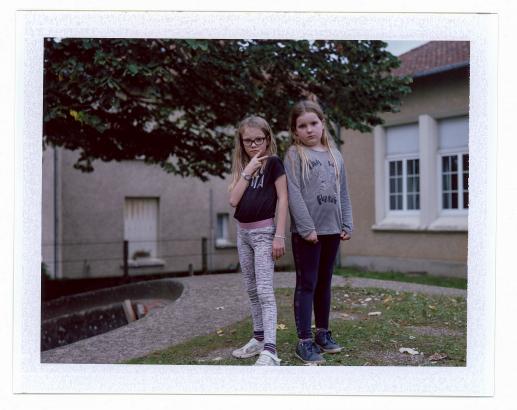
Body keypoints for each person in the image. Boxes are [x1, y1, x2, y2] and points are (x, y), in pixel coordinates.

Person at [284, 98, 353, 365]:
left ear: (323, 124)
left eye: (314, 123)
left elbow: (343, 192)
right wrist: (306, 228)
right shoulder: (294, 155)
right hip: (307, 233)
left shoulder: (336, 157)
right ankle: (304, 342)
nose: (309, 129)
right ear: (295, 131)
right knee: (307, 284)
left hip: (332, 230)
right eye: (302, 126)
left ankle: (322, 333)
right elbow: (294, 194)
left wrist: (347, 223)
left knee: (325, 283)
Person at [228, 115, 288, 366]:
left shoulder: (274, 163)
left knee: (264, 290)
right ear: (241, 143)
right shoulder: (243, 167)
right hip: (243, 233)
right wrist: (248, 171)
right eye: (248, 141)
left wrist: (279, 235)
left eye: (259, 140)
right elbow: (233, 201)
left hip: (264, 234)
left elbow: (283, 199)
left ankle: (271, 350)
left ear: (268, 139)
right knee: (252, 290)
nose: (254, 145)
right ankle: (259, 338)